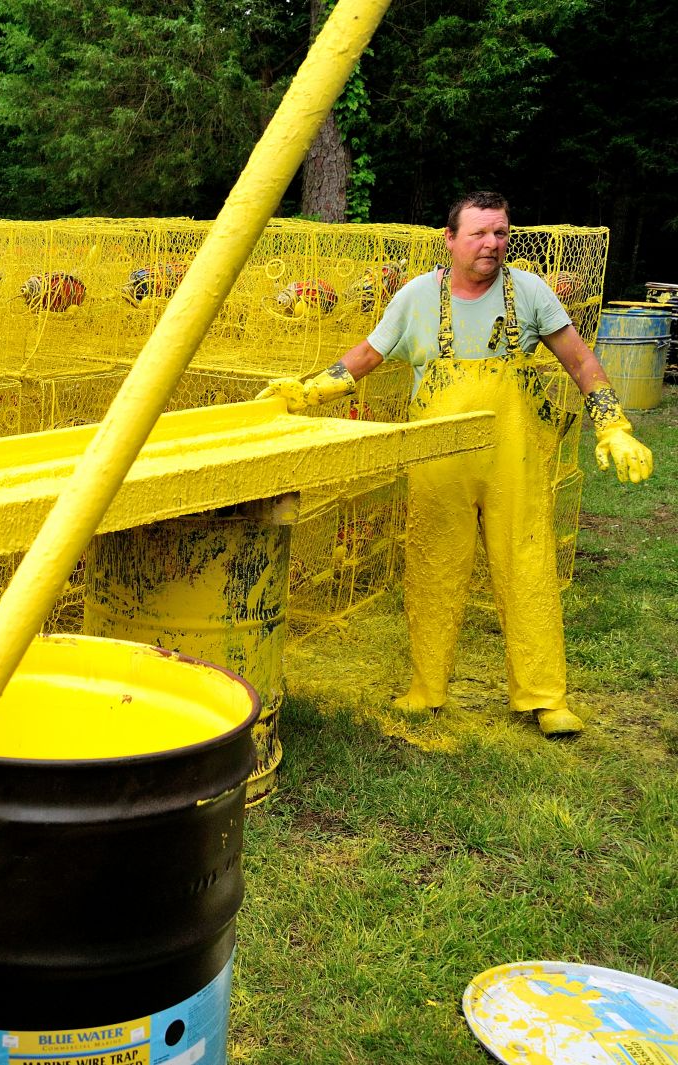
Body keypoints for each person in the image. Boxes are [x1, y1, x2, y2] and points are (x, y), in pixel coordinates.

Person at [260, 191, 654, 738]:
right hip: (439, 459)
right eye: (478, 233)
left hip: (512, 460)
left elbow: (579, 358)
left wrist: (611, 420)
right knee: (432, 568)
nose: (491, 244)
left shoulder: (530, 293)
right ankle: (428, 686)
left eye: (500, 233)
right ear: (450, 240)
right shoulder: (417, 296)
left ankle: (544, 696)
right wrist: (311, 392)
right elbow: (368, 355)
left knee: (528, 569)